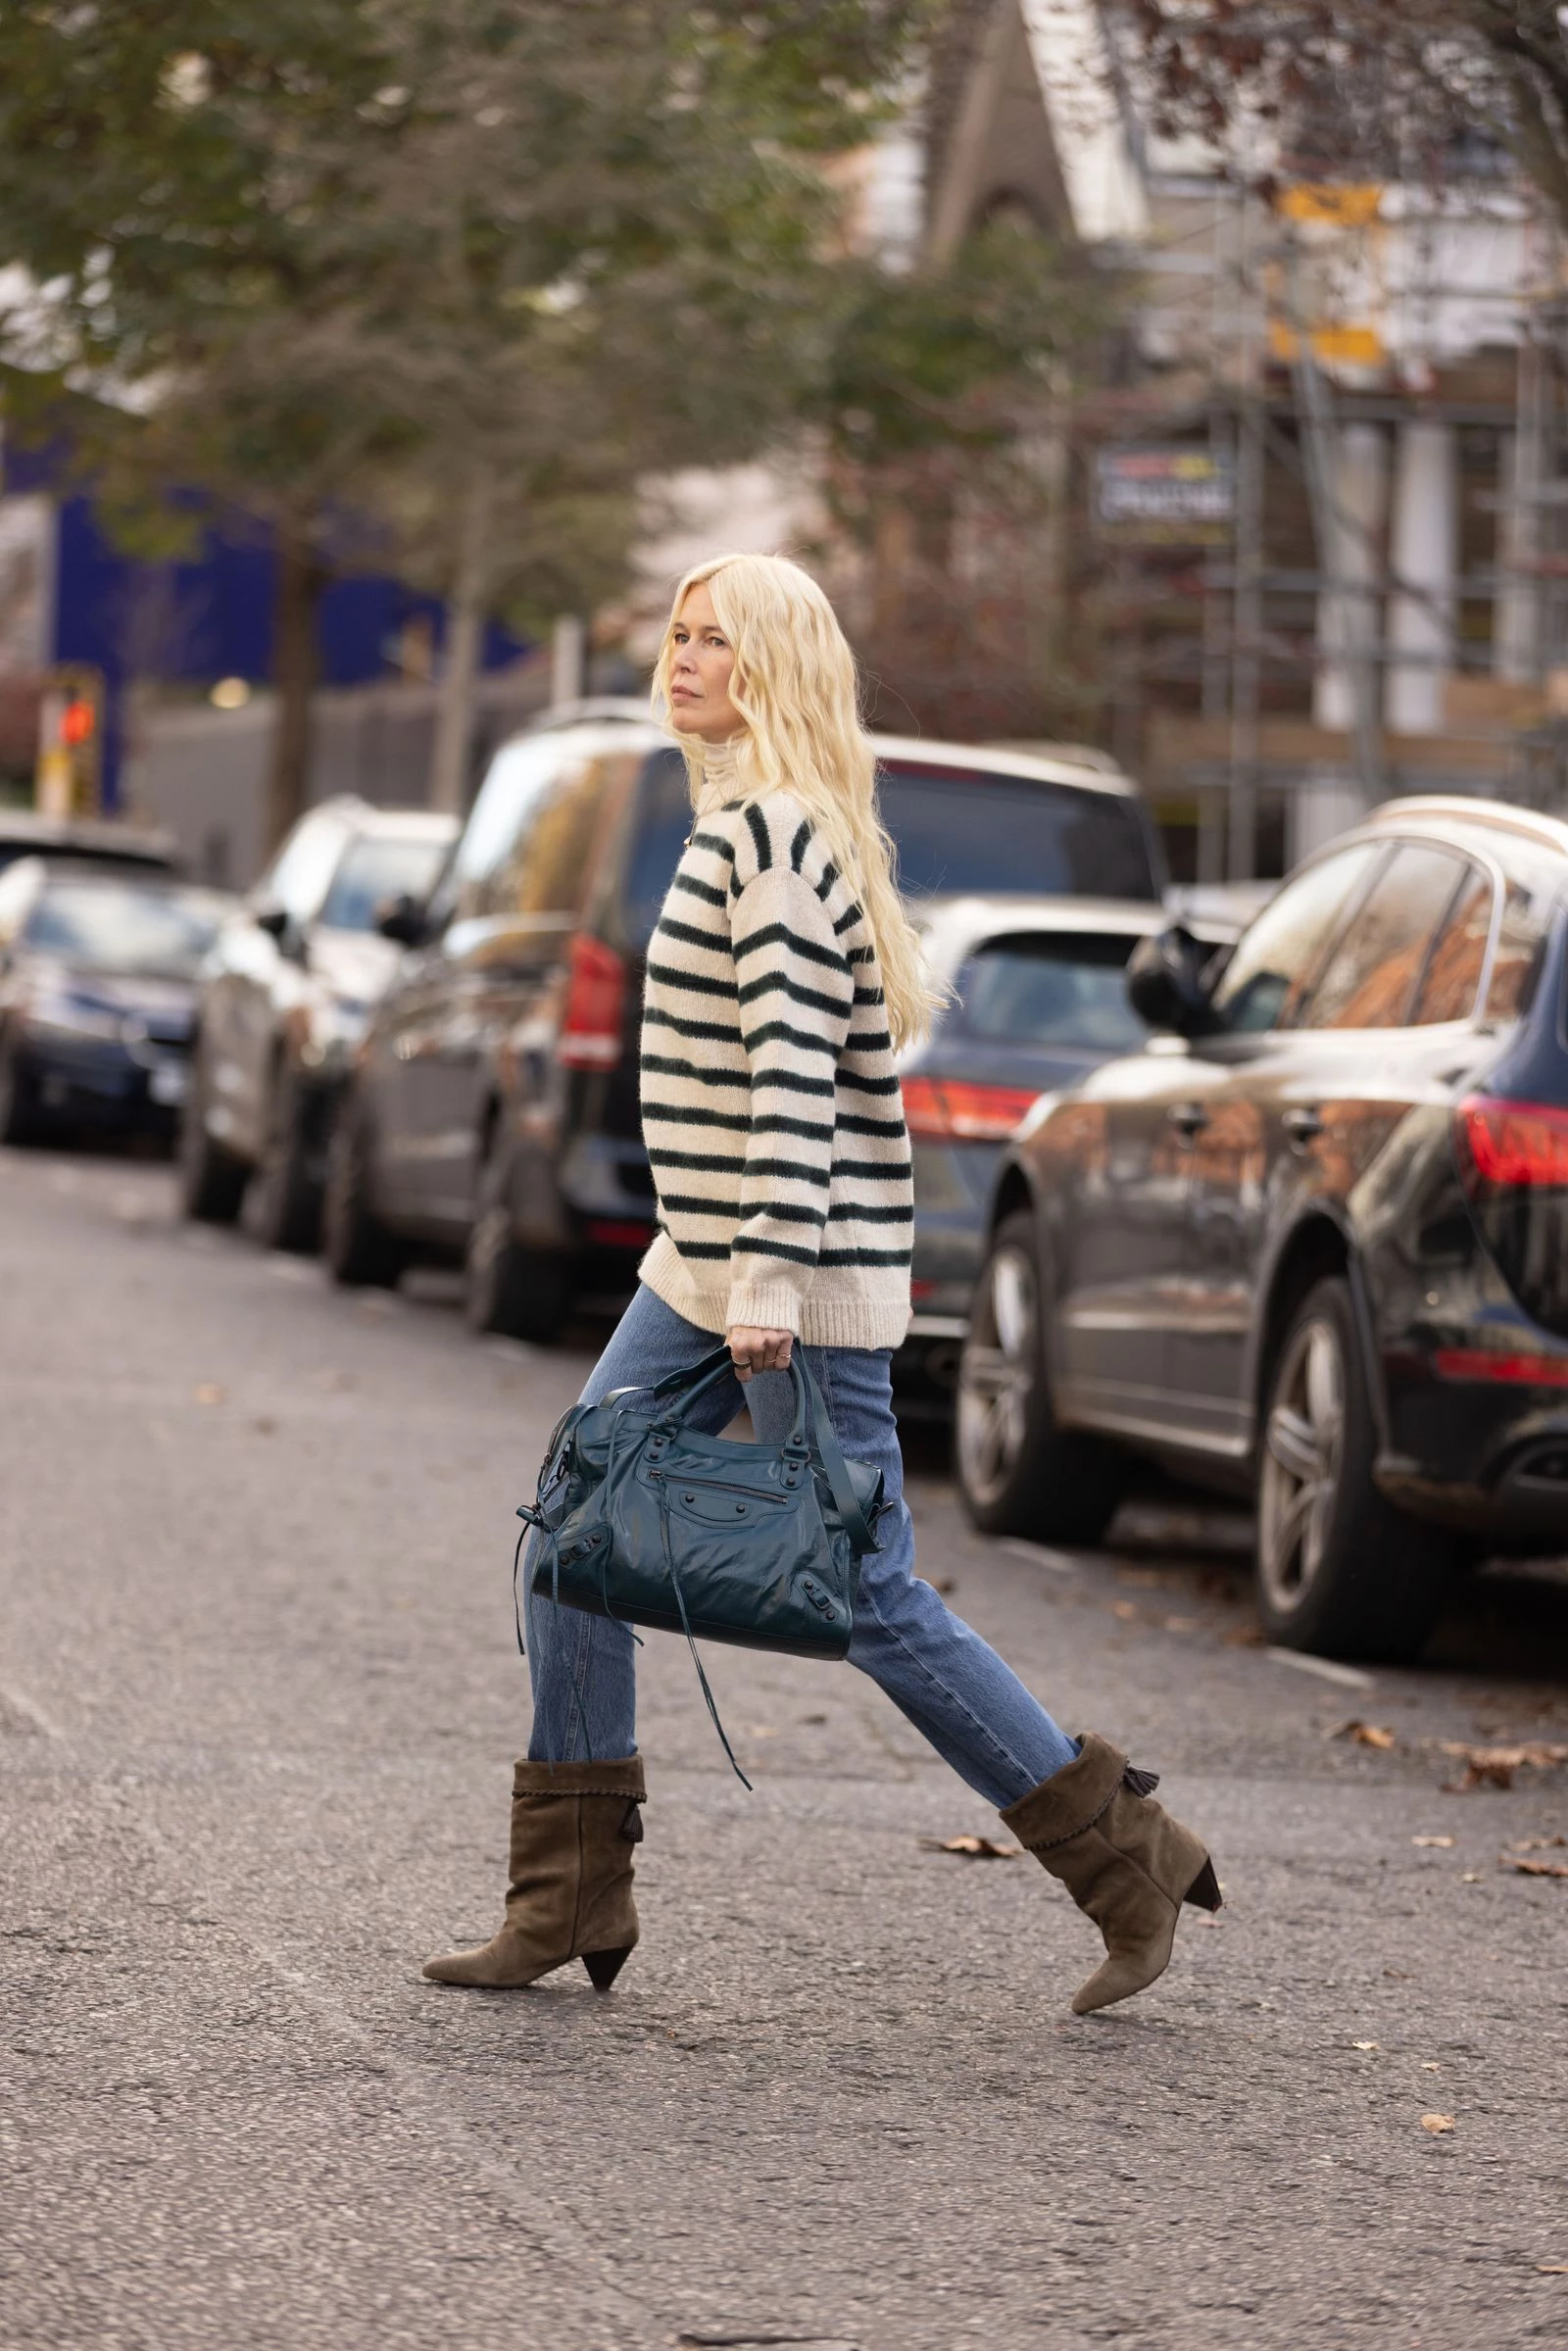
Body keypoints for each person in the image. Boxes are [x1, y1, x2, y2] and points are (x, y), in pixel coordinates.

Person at [422, 553, 1220, 2015]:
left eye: (715, 641)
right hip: (703, 1263)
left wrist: (771, 1282)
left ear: (772, 669)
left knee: (868, 1596)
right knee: (568, 1533)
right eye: (676, 632)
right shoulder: (743, 823)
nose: (683, 658)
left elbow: (795, 1085)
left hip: (780, 1277)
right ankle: (569, 1890)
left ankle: (1126, 1859)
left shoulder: (777, 843)